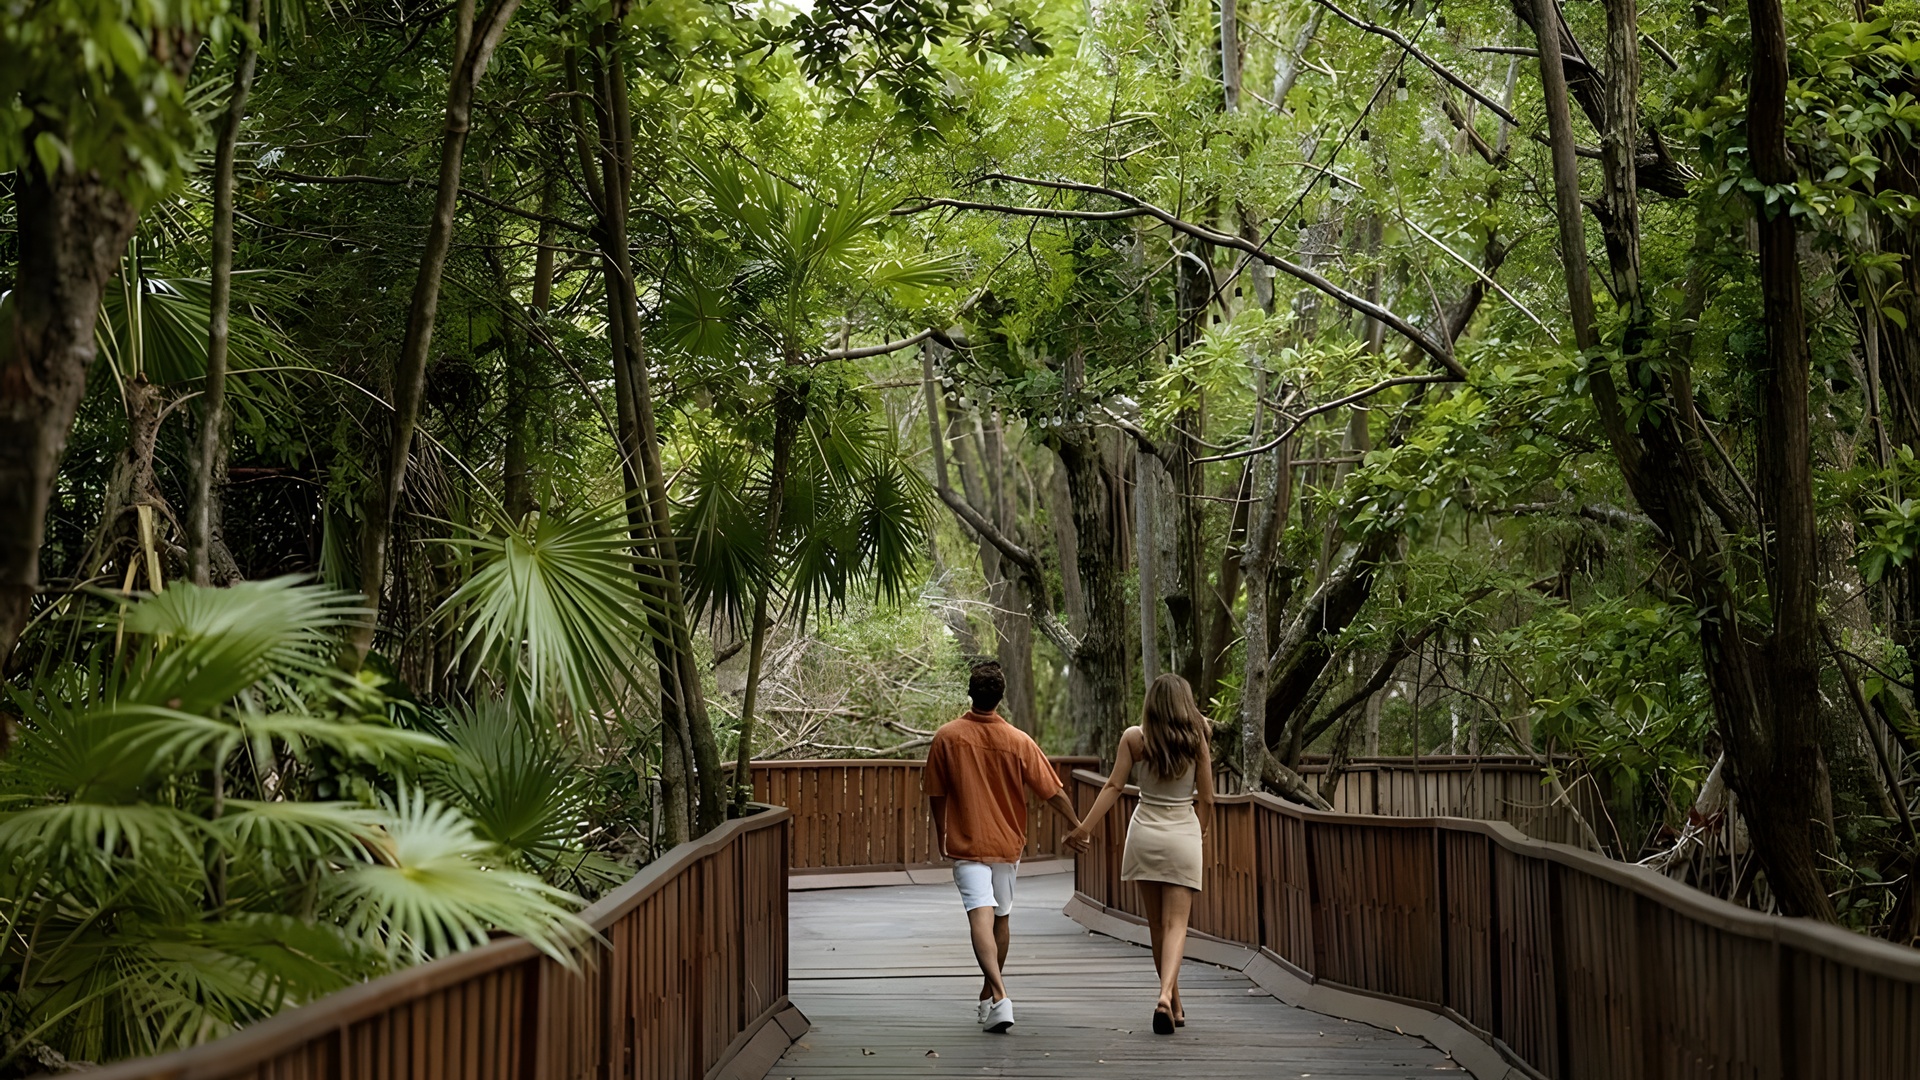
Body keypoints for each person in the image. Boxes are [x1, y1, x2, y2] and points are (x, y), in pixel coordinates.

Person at [923, 660, 1083, 1034]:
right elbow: (1053, 791)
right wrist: (1078, 825)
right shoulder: (1019, 741)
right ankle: (990, 999)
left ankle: (997, 996)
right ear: (1001, 697)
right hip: (1007, 845)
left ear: (970, 692)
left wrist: (940, 834)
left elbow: (935, 792)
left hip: (966, 842)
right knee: (1001, 920)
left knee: (980, 917)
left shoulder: (947, 737)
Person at [1064, 672, 1214, 1035]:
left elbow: (1115, 785)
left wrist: (1084, 826)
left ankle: (1174, 1004)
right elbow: (1207, 797)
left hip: (1144, 832)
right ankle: (1166, 997)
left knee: (1157, 926)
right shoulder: (1199, 736)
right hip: (1182, 833)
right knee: (1177, 924)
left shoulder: (1135, 738)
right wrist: (1201, 832)